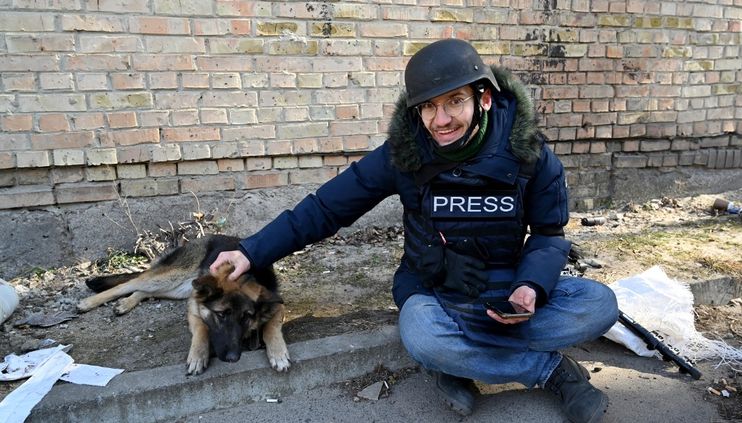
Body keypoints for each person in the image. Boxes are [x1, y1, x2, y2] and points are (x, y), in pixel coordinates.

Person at [210, 38, 619, 423]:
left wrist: (530, 286)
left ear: (485, 98)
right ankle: (549, 371)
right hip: (434, 294)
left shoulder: (532, 156)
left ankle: (454, 362)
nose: (440, 120)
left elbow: (549, 235)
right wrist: (250, 252)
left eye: (455, 102)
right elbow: (325, 208)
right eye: (428, 107)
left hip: (508, 291)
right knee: (423, 337)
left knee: (600, 304)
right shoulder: (402, 154)